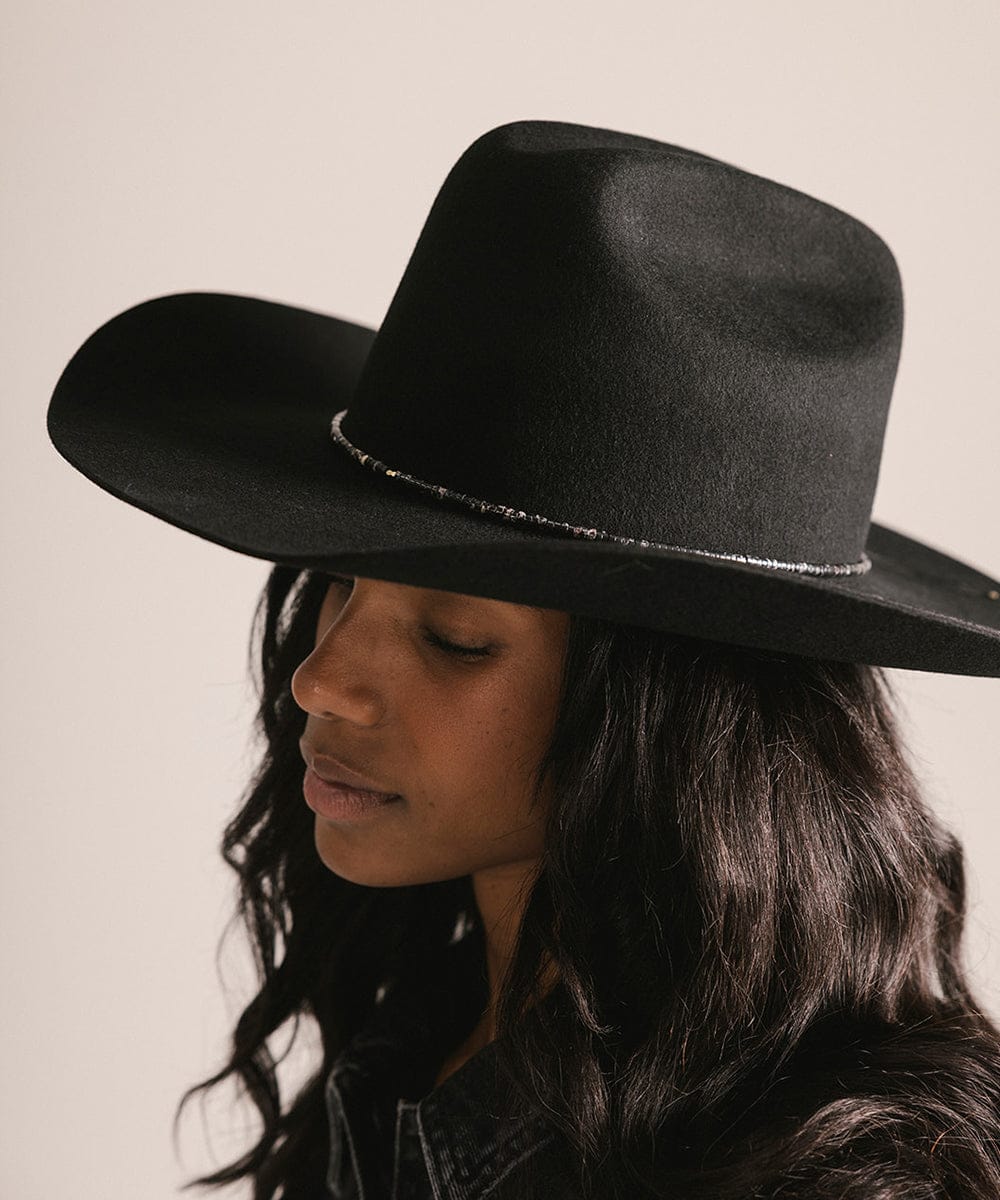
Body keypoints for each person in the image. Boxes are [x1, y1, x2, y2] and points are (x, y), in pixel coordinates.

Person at [47, 119, 1000, 1199]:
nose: (322, 680)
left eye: (455, 640)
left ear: (675, 717)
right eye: (339, 587)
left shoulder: (838, 1176)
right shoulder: (422, 1042)